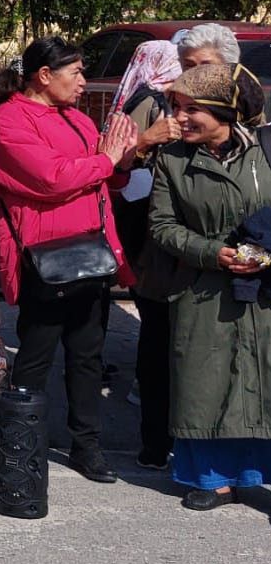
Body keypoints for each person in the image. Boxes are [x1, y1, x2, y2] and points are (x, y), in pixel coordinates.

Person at [0, 36, 138, 485]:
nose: (84, 83)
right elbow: (51, 177)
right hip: (43, 257)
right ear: (44, 75)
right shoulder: (8, 119)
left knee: (88, 356)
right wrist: (106, 161)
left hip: (90, 253)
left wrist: (120, 161)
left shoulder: (78, 119)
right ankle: (20, 437)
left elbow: (100, 176)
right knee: (35, 355)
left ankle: (86, 445)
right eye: (77, 73)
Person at [146, 63, 271, 510]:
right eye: (176, 107)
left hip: (266, 290)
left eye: (190, 109)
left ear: (224, 110)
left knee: (266, 377)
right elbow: (162, 226)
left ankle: (261, 478)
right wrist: (209, 251)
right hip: (202, 286)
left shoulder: (266, 152)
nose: (178, 118)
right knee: (205, 382)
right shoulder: (174, 161)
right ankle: (210, 478)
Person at [110, 39, 184, 469]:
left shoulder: (148, 95)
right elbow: (126, 159)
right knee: (156, 322)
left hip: (143, 216)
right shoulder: (150, 101)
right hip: (145, 218)